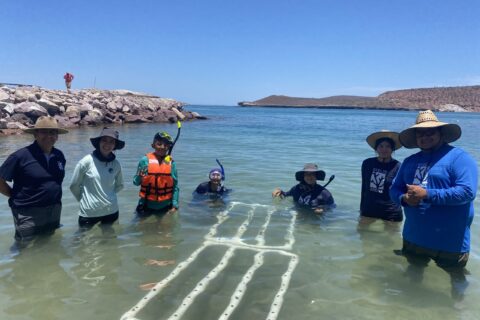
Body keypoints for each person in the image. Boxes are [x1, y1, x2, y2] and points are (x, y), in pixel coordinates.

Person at [390, 110, 478, 300]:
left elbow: (467, 192)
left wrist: (428, 194)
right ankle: (408, 305)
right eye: (420, 133)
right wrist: (404, 198)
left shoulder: (459, 158)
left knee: (456, 278)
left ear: (441, 134)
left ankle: (457, 310)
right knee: (413, 272)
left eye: (430, 132)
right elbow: (394, 189)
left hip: (451, 242)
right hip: (414, 237)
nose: (424, 137)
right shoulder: (409, 161)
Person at [0, 116, 68, 244]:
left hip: (54, 209)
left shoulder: (59, 155)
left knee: (50, 243)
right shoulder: (20, 156)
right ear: (35, 134)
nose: (49, 136)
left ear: (57, 136)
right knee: (25, 248)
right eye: (44, 132)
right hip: (27, 212)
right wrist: (13, 196)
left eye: (52, 132)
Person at [70, 127, 125, 229]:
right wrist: (83, 200)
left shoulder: (116, 164)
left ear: (115, 146)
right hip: (88, 213)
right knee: (84, 243)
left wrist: (107, 196)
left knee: (111, 242)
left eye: (111, 142)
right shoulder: (86, 161)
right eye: (104, 140)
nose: (107, 144)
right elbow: (74, 185)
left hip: (111, 211)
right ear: (99, 142)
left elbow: (120, 185)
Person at [359, 130, 403, 225]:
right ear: (376, 148)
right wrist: (361, 208)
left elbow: (400, 190)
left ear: (392, 149)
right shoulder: (367, 163)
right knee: (364, 237)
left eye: (388, 146)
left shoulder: (398, 166)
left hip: (391, 211)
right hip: (369, 209)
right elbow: (364, 188)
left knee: (391, 239)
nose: (384, 149)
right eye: (381, 146)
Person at [133, 131, 179, 215]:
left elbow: (175, 187)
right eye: (159, 144)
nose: (162, 147)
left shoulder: (172, 164)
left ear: (169, 147)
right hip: (146, 205)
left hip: (166, 207)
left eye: (165, 145)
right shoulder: (144, 160)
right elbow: (135, 182)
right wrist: (140, 177)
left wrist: (175, 205)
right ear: (153, 145)